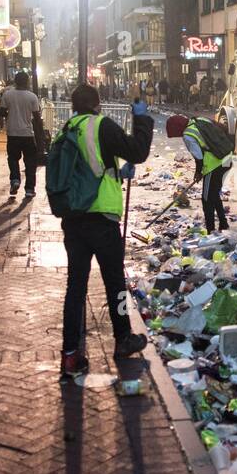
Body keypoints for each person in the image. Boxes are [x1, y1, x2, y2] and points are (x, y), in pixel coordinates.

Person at [60, 84, 153, 376]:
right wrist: (141, 119)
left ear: (74, 106)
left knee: (75, 287)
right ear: (98, 105)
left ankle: (70, 353)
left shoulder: (69, 127)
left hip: (73, 220)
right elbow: (137, 151)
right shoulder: (102, 125)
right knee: (115, 285)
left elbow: (89, 168)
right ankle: (123, 338)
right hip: (102, 220)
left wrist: (117, 171)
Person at [166, 114, 233, 233]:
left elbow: (199, 157)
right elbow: (222, 128)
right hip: (227, 158)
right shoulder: (198, 120)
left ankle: (210, 230)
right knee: (214, 193)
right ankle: (223, 224)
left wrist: (198, 172)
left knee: (207, 199)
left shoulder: (188, 135)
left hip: (214, 165)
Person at [0, 70, 43, 199]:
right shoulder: (32, 97)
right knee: (30, 162)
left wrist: (9, 116)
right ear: (27, 82)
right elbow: (37, 117)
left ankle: (15, 180)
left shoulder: (8, 95)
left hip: (12, 133)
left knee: (12, 158)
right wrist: (40, 135)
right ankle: (29, 189)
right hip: (28, 134)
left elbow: (1, 112)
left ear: (15, 82)